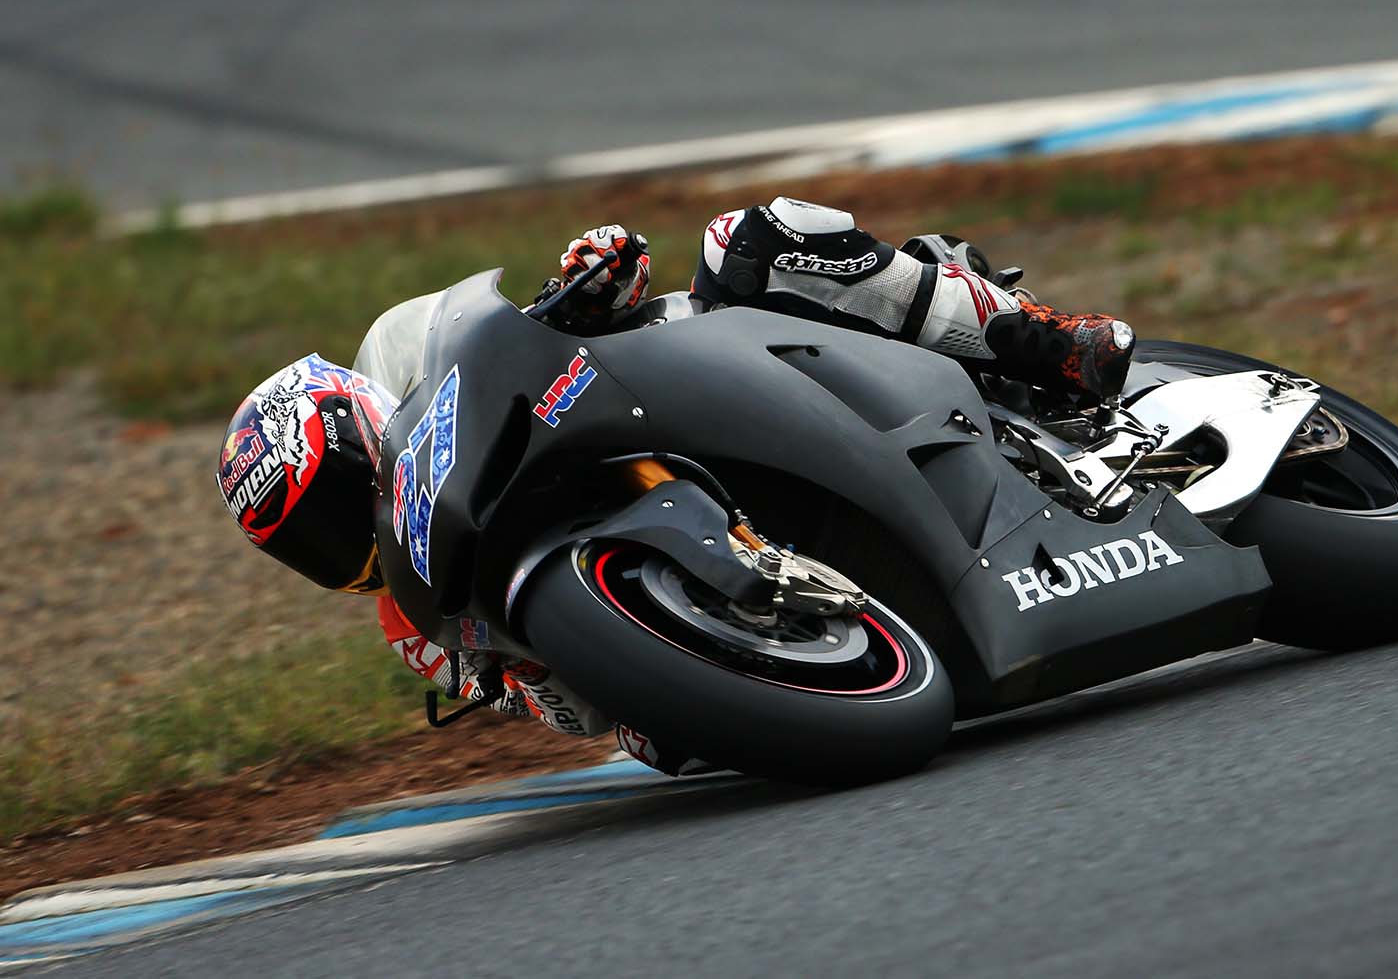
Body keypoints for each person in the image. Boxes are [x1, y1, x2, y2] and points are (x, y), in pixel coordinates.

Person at [216, 199, 1134, 773]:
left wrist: (584, 286)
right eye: (314, 546)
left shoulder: (453, 389)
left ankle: (1042, 340)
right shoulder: (416, 624)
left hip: (730, 372)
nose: (345, 542)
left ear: (364, 419)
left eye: (335, 504)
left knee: (750, 238)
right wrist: (614, 691)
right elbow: (566, 710)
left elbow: (617, 276)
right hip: (759, 595)